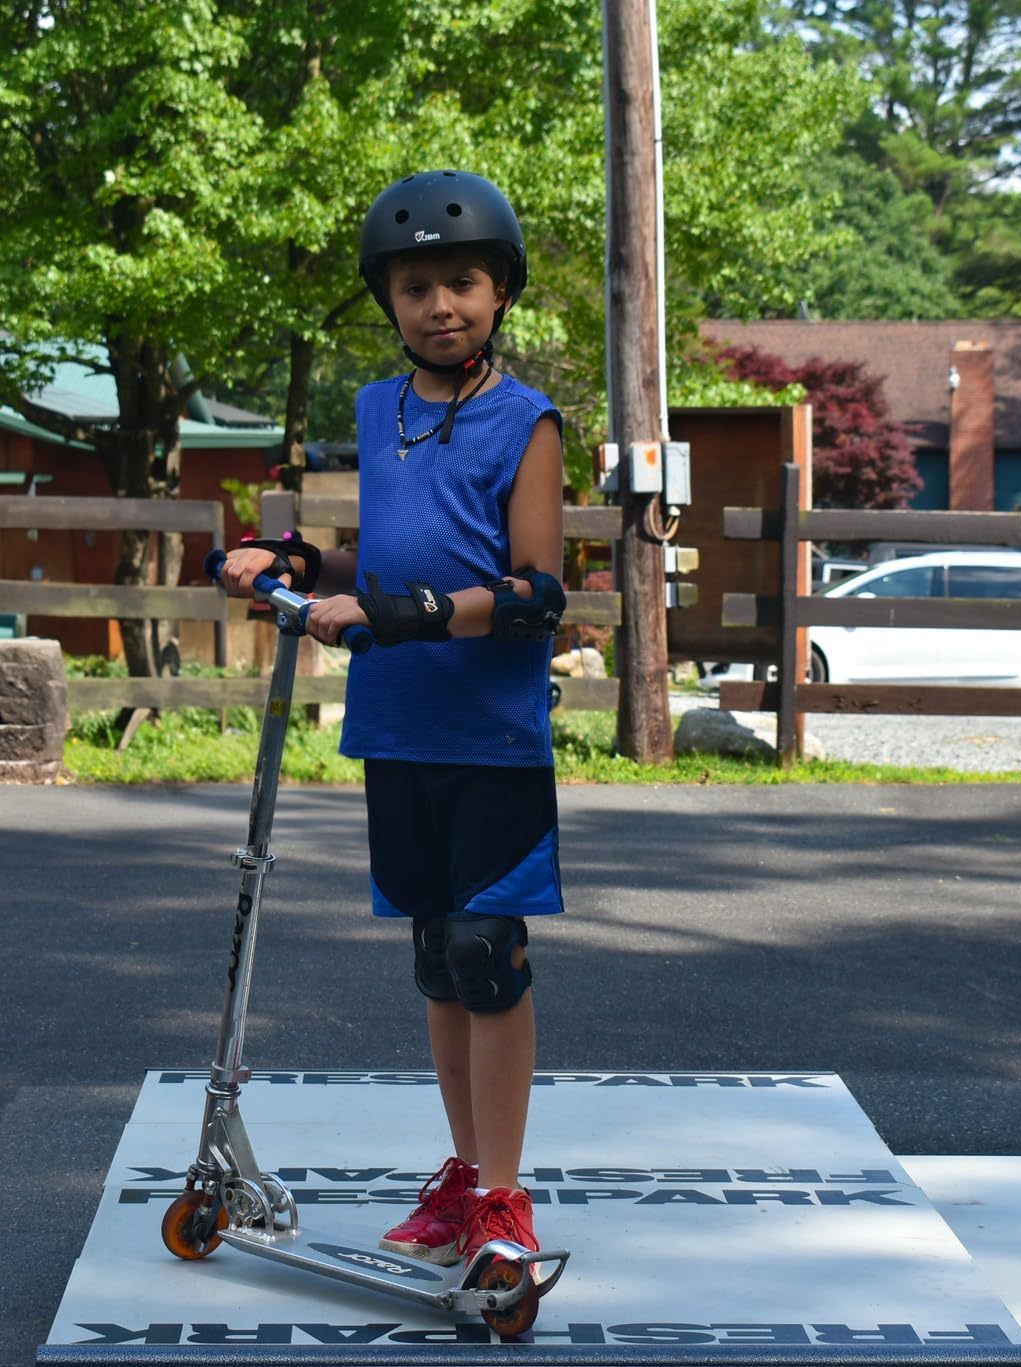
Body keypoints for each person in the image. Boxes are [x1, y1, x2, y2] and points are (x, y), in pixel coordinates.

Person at [218, 170, 566, 1273]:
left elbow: (532, 591)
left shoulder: (527, 420)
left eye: (461, 281)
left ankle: (507, 1196)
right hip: (397, 724)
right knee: (434, 958)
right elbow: (382, 554)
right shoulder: (380, 410)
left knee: (486, 950)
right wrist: (291, 560)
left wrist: (412, 612)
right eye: (415, 286)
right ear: (391, 300)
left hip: (491, 733)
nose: (439, 304)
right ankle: (464, 1176)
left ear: (498, 291)